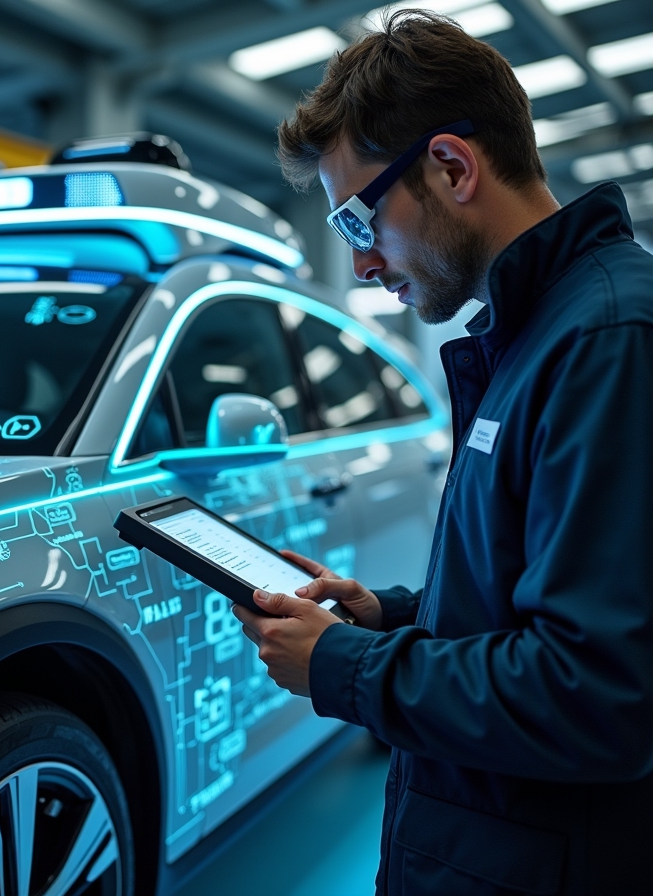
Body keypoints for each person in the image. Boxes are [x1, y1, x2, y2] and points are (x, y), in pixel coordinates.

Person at [232, 11, 653, 895]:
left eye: (357, 224)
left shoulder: (606, 340)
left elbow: (596, 695)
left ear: (452, 167)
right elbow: (536, 587)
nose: (361, 269)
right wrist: (390, 616)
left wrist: (345, 667)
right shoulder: (536, 336)